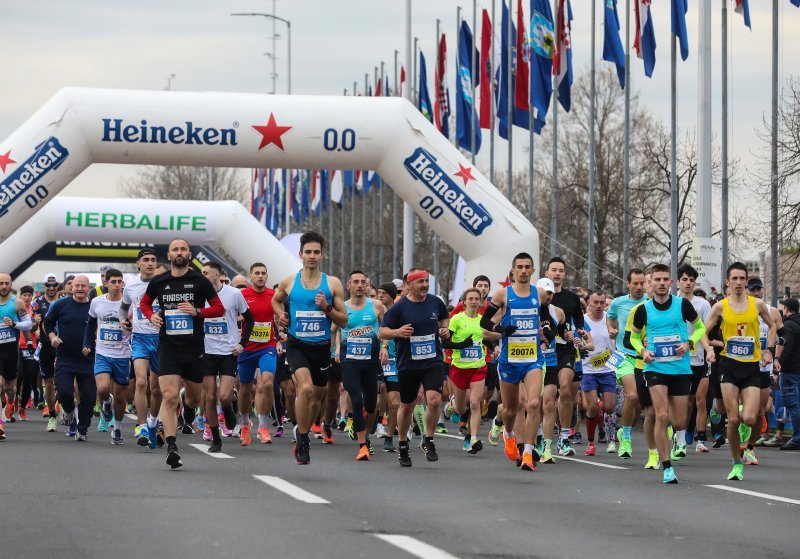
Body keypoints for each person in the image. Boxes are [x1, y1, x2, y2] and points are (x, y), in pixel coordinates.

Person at [139, 239, 225, 469]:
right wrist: (151, 316)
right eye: (175, 249)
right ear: (168, 255)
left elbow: (219, 308)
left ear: (189, 254)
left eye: (183, 249)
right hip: (168, 347)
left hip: (194, 348)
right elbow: (145, 304)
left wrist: (197, 311)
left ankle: (188, 412)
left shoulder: (200, 281)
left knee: (194, 399)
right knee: (168, 396)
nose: (179, 252)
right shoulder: (159, 281)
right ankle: (171, 446)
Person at [628, 264, 709, 484]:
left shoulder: (682, 305)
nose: (662, 283)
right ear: (651, 284)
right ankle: (666, 466)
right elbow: (633, 338)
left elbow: (700, 328)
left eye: (665, 280)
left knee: (679, 421)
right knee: (660, 414)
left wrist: (689, 342)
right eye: (658, 280)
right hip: (655, 369)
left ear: (671, 283)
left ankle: (672, 438)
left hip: (680, 369)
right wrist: (643, 350)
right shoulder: (643, 310)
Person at [272, 231, 348, 465]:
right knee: (304, 389)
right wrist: (281, 316)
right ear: (301, 254)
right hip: (297, 346)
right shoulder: (289, 282)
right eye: (308, 252)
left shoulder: (332, 283)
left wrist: (326, 307)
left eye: (316, 252)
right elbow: (275, 300)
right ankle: (302, 438)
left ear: (322, 254)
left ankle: (302, 429)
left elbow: (344, 321)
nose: (312, 256)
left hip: (321, 348)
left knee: (316, 397)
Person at [704, 262, 776, 481]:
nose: (738, 283)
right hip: (728, 366)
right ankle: (737, 464)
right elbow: (702, 332)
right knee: (733, 419)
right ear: (728, 282)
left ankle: (746, 443)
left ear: (746, 281)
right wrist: (709, 351)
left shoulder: (758, 305)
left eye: (741, 279)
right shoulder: (720, 307)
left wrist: (769, 351)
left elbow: (772, 326)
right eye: (733, 279)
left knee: (751, 417)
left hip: (751, 367)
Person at [480, 254, 552, 472]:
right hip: (509, 360)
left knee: (532, 404)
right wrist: (502, 330)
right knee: (511, 409)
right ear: (512, 270)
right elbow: (484, 322)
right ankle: (509, 434)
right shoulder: (503, 294)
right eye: (519, 267)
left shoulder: (539, 294)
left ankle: (528, 453)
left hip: (533, 359)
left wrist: (547, 332)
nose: (523, 270)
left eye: (527, 267)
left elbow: (547, 320)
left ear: (533, 271)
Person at [380, 268, 449, 467]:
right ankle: (402, 444)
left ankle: (428, 440)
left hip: (432, 360)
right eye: (420, 282)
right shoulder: (399, 307)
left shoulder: (435, 301)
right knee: (407, 405)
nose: (425, 285)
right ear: (409, 285)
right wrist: (398, 331)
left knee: (435, 400)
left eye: (427, 281)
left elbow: (444, 318)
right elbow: (382, 332)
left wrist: (445, 330)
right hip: (408, 363)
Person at [334, 270, 388, 460]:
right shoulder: (342, 308)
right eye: (355, 282)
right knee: (356, 399)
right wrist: (336, 350)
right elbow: (334, 330)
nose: (359, 285)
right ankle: (362, 445)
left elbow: (386, 329)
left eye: (362, 282)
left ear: (366, 285)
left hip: (371, 360)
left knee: (372, 406)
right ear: (348, 285)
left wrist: (384, 347)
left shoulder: (378, 306)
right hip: (349, 360)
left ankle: (365, 432)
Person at [200, 262, 253, 452]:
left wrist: (242, 344)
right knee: (209, 396)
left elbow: (250, 319)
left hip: (228, 352)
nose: (202, 275)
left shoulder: (233, 294)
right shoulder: (199, 295)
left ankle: (229, 410)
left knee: (224, 396)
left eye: (205, 273)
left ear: (216, 275)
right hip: (207, 351)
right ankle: (216, 438)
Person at [443, 287, 497, 454]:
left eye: (476, 299)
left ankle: (473, 439)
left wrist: (493, 348)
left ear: (480, 302)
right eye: (470, 299)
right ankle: (453, 404)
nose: (474, 301)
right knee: (460, 409)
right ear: (464, 302)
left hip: (478, 368)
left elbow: (484, 339)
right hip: (459, 368)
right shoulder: (457, 320)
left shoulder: (483, 321)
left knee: (475, 403)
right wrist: (460, 345)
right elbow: (445, 343)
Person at [607, 269, 653, 465]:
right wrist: (611, 328)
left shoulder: (651, 304)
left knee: (639, 405)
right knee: (632, 396)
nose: (639, 287)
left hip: (646, 357)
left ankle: (623, 429)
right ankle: (626, 439)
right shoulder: (619, 303)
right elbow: (610, 316)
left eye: (643, 283)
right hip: (625, 355)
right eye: (636, 283)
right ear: (628, 284)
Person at [119, 248, 162, 447]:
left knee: (157, 388)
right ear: (138, 264)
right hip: (139, 339)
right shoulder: (131, 287)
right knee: (141, 382)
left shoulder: (164, 284)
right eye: (146, 260)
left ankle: (154, 421)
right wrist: (122, 321)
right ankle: (142, 425)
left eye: (153, 260)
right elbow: (123, 307)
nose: (150, 263)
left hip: (161, 340)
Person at [43, 275, 94, 440]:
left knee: (89, 397)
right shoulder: (60, 304)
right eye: (76, 286)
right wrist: (52, 337)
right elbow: (48, 322)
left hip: (88, 359)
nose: (79, 289)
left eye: (83, 286)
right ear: (71, 288)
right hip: (65, 357)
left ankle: (82, 429)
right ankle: (69, 410)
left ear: (89, 288)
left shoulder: (95, 306)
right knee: (64, 392)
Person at [83, 268, 131, 444]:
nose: (117, 285)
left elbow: (135, 325)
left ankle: (117, 429)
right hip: (103, 352)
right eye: (113, 282)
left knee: (120, 396)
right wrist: (87, 344)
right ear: (106, 283)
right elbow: (90, 325)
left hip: (123, 354)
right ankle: (105, 403)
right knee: (103, 389)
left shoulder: (129, 303)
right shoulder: (96, 302)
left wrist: (131, 326)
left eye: (120, 282)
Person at [545, 257, 586, 457]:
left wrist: (580, 331)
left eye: (561, 270)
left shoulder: (571, 298)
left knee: (565, 389)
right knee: (545, 396)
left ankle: (564, 437)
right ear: (547, 273)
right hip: (545, 350)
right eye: (554, 270)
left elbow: (578, 317)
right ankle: (540, 438)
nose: (557, 273)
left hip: (566, 349)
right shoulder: (539, 296)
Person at [743, 277, 784, 463]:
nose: (756, 292)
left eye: (758, 289)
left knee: (763, 409)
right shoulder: (739, 308)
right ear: (747, 291)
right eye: (752, 289)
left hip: (763, 365)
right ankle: (740, 439)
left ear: (762, 291)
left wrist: (775, 357)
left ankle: (750, 446)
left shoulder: (772, 311)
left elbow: (783, 336)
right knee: (742, 410)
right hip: (741, 363)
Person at [237, 263, 278, 446]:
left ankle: (262, 426)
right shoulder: (242, 295)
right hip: (246, 348)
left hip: (267, 346)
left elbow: (281, 316)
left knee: (267, 383)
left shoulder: (273, 296)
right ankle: (245, 424)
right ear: (250, 276)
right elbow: (231, 315)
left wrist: (282, 325)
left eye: (263, 273)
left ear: (267, 276)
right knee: (245, 388)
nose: (260, 276)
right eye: (257, 273)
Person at [677, 265, 713, 453]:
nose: (688, 283)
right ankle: (679, 435)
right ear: (678, 282)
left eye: (692, 280)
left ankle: (698, 436)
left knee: (697, 398)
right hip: (676, 359)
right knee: (681, 400)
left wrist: (708, 350)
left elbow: (704, 331)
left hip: (699, 358)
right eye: (685, 279)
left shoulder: (703, 305)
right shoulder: (671, 301)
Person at [581, 291, 617, 457]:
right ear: (589, 302)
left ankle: (598, 407)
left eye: (602, 303)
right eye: (595, 302)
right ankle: (590, 443)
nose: (599, 306)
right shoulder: (582, 320)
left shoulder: (609, 318)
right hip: (588, 369)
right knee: (592, 408)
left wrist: (615, 334)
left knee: (609, 407)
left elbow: (618, 340)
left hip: (607, 368)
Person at [0, 273, 33, 438]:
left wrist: (14, 324)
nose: (4, 286)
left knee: (9, 389)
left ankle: (10, 403)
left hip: (11, 349)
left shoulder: (17, 302)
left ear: (11, 284)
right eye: (1, 283)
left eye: (6, 283)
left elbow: (29, 324)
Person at [32, 276, 61, 431]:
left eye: (54, 285)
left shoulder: (64, 301)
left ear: (58, 286)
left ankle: (65, 407)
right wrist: (34, 323)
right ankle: (51, 416)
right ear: (44, 285)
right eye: (48, 285)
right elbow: (28, 327)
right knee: (49, 383)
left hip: (62, 346)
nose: (51, 288)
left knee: (63, 381)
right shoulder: (36, 303)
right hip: (45, 346)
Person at [776, 297, 800, 450]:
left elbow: (786, 346)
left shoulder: (789, 326)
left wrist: (778, 363)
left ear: (786, 309)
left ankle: (797, 438)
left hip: (790, 370)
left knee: (793, 405)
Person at [16, 285, 37, 420]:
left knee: (29, 379)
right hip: (17, 346)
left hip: (31, 347)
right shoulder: (16, 309)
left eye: (29, 295)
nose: (27, 298)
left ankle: (23, 408)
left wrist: (36, 324)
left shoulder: (34, 310)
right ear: (21, 296)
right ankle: (13, 402)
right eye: (25, 295)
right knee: (18, 376)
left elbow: (34, 329)